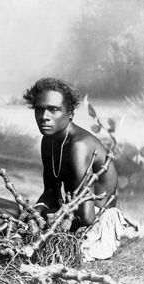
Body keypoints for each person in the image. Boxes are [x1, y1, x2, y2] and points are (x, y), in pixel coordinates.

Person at [23, 77, 141, 260]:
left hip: (95, 217)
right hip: (69, 210)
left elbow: (87, 217)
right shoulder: (48, 141)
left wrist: (52, 220)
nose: (44, 116)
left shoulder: (80, 145)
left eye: (53, 109)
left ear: (70, 113)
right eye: (39, 109)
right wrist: (34, 213)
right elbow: (50, 193)